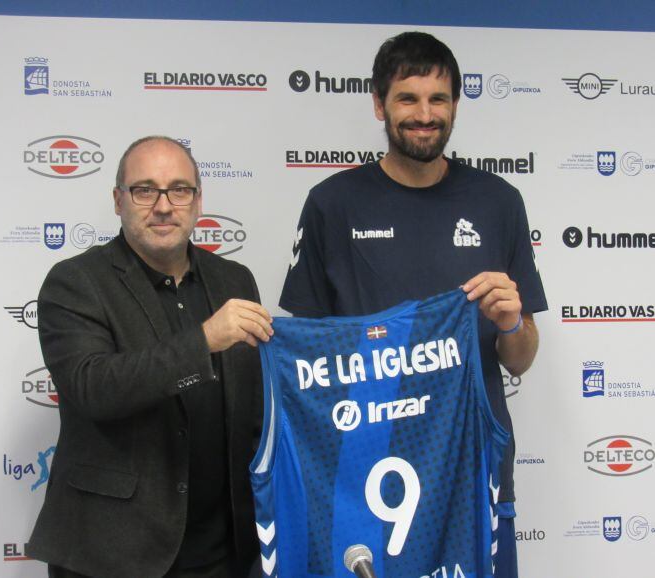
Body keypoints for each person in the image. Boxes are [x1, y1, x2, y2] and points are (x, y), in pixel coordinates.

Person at [279, 32, 547, 578]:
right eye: (407, 98)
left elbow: (520, 358)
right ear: (379, 104)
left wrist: (511, 321)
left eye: (438, 99)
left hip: (471, 469)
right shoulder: (332, 204)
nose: (424, 115)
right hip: (361, 474)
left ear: (454, 105)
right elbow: (304, 357)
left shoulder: (499, 202)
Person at [27, 136, 273, 578]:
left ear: (198, 202)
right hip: (112, 554)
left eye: (179, 190)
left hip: (224, 551)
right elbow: (93, 387)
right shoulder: (75, 282)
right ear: (118, 200)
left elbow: (255, 407)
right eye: (145, 190)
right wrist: (203, 341)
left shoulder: (234, 279)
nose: (164, 205)